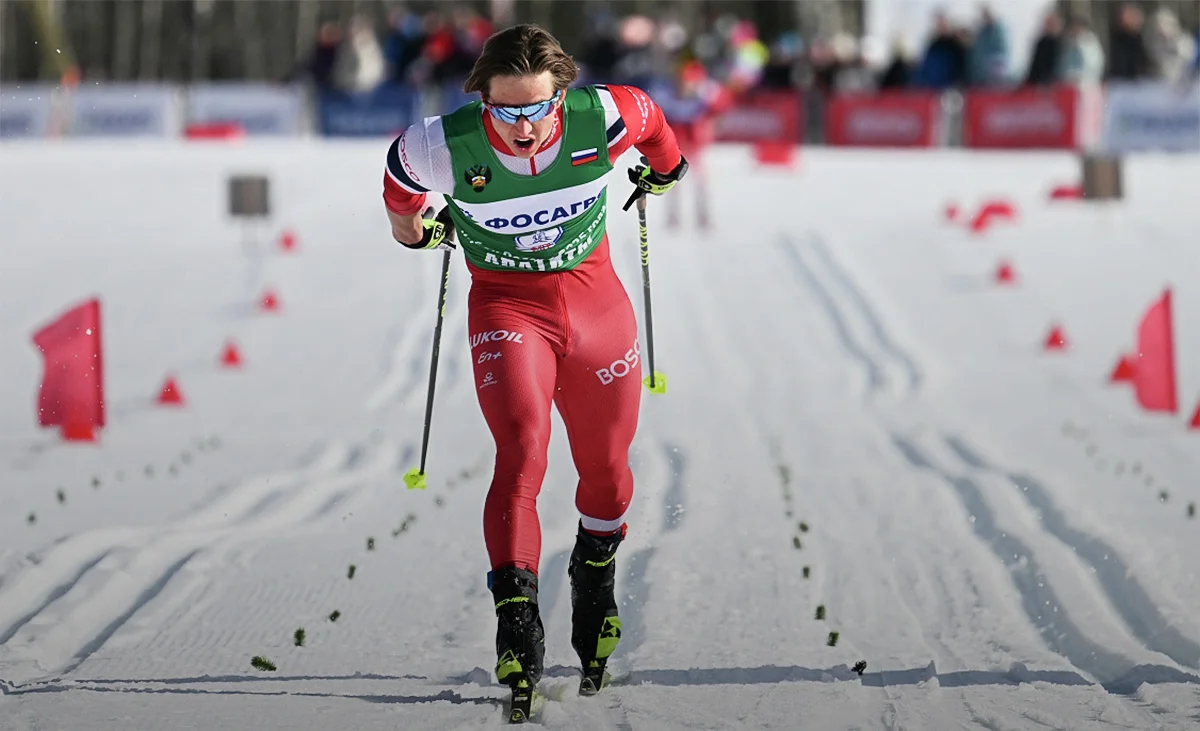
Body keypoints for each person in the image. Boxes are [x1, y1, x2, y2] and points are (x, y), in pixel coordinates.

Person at [381, 23, 687, 705]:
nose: (523, 126)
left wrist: (664, 172)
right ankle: (516, 620)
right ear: (481, 100)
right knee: (522, 449)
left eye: (538, 108)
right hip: (508, 310)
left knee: (606, 469)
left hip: (596, 308)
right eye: (506, 110)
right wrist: (419, 231)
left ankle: (594, 574)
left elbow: (656, 126)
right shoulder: (438, 144)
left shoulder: (603, 116)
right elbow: (398, 193)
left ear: (562, 95)